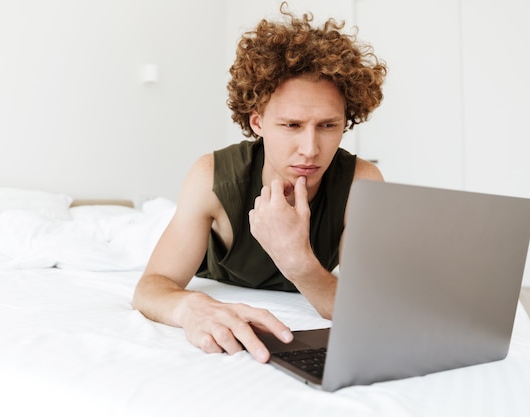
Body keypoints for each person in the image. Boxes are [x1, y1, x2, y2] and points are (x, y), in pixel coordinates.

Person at [133, 2, 387, 364]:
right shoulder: (211, 177)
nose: (311, 149)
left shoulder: (361, 182)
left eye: (328, 126)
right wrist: (190, 307)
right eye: (291, 125)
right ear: (257, 123)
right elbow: (151, 286)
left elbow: (368, 308)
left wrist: (297, 260)